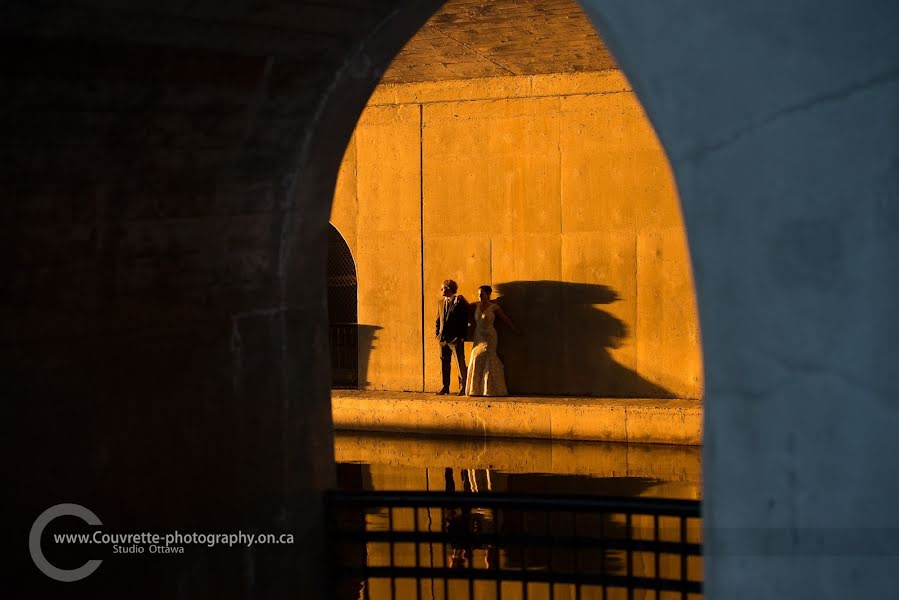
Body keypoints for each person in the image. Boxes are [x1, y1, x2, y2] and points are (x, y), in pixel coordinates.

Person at [465, 285, 520, 397]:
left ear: (488, 294)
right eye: (478, 294)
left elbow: (504, 318)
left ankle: (492, 389)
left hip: (490, 336)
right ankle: (476, 389)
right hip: (478, 336)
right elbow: (464, 307)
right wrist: (460, 298)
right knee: (475, 358)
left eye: (482, 294)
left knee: (488, 357)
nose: (480, 296)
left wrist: (514, 328)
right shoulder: (476, 305)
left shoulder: (494, 307)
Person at [435, 279, 469, 395]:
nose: (441, 290)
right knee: (444, 363)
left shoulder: (459, 301)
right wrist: (437, 335)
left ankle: (463, 387)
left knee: (460, 362)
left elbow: (465, 319)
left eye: (443, 288)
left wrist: (462, 336)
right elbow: (438, 320)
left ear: (450, 289)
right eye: (441, 288)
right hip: (443, 339)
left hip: (456, 339)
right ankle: (445, 387)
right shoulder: (440, 303)